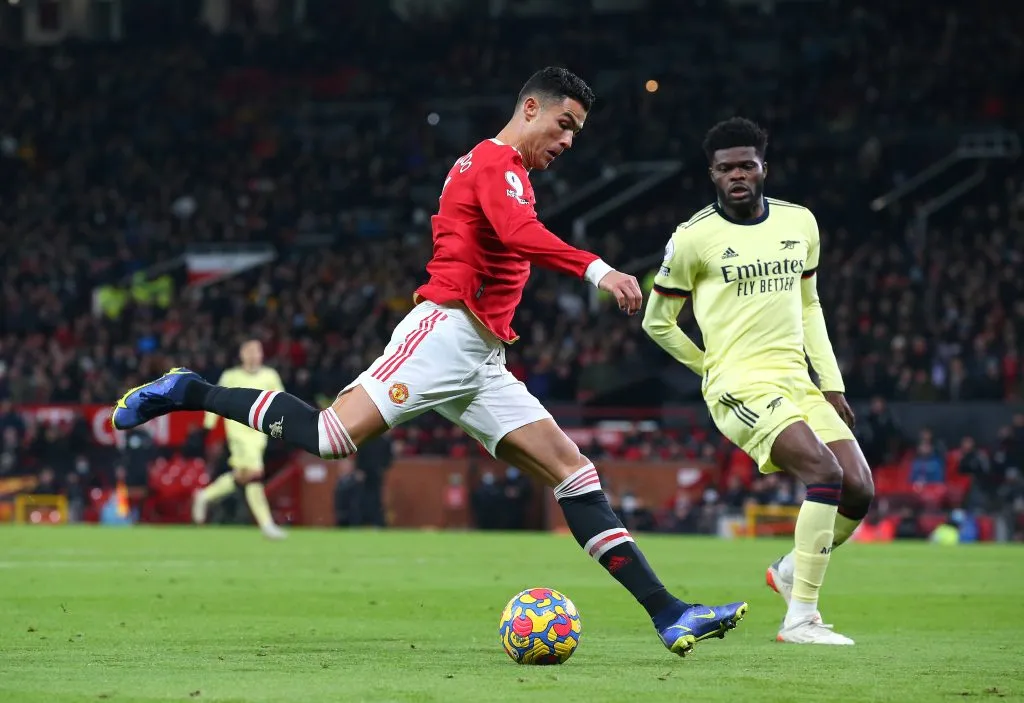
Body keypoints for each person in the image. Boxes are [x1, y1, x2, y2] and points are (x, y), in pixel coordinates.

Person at [111, 67, 746, 657]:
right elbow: (519, 235)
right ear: (531, 108)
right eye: (564, 124)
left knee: (573, 473)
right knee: (332, 438)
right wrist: (598, 268)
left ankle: (668, 612)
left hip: (482, 358)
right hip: (444, 333)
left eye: (576, 131)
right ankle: (190, 389)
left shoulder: (496, 169)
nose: (569, 140)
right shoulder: (498, 164)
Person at [642, 117, 875, 645]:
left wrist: (831, 383)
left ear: (764, 167)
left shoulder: (800, 224)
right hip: (739, 384)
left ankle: (790, 570)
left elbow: (809, 304)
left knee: (859, 489)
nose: (737, 175)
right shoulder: (692, 239)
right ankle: (801, 619)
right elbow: (658, 322)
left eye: (747, 164)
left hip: (797, 379)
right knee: (823, 470)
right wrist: (712, 366)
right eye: (726, 168)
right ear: (713, 175)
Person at [192, 339, 287, 540]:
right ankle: (267, 525)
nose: (253, 355)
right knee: (254, 474)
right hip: (239, 433)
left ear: (262, 354)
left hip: (259, 435)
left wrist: (284, 424)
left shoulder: (270, 376)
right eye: (249, 351)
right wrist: (208, 425)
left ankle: (204, 496)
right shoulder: (231, 376)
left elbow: (282, 401)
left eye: (256, 351)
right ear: (242, 354)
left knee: (243, 476)